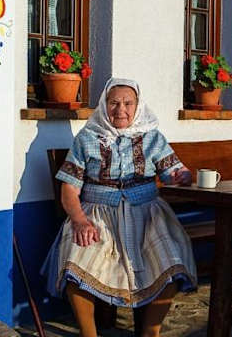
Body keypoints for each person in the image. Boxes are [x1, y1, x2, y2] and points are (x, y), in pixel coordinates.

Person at [42, 77, 197, 337]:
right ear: (104, 105)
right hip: (96, 215)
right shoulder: (87, 138)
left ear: (138, 106)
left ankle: (150, 332)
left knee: (172, 260)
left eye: (128, 103)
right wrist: (79, 221)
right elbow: (69, 189)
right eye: (114, 103)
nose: (120, 109)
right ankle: (88, 334)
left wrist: (182, 175)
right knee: (75, 261)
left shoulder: (152, 137)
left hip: (147, 214)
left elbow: (173, 172)